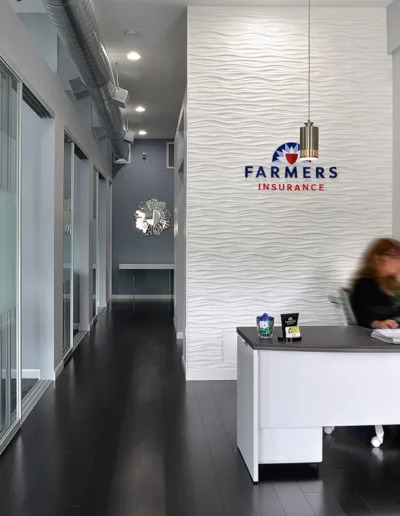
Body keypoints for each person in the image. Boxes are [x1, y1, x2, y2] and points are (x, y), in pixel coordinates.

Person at [350, 238, 400, 329]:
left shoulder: (394, 284)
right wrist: (376, 323)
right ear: (377, 259)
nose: (397, 261)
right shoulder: (364, 284)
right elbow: (361, 315)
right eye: (394, 256)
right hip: (377, 337)